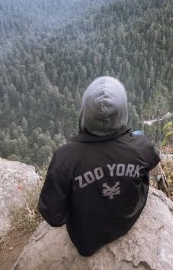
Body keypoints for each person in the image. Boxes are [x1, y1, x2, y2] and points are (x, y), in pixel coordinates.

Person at [38, 76, 160, 257]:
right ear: (123, 113)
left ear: (84, 113)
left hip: (86, 239)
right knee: (139, 140)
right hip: (127, 220)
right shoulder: (140, 145)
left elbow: (54, 216)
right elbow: (153, 161)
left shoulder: (65, 158)